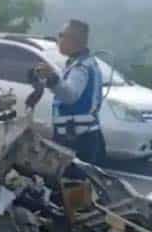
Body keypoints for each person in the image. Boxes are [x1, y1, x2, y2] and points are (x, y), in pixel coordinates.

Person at [35, 19, 105, 164]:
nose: (57, 39)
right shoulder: (81, 63)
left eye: (61, 35)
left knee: (73, 183)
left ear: (74, 40)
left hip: (77, 139)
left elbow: (70, 95)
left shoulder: (81, 67)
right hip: (79, 135)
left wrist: (52, 77)